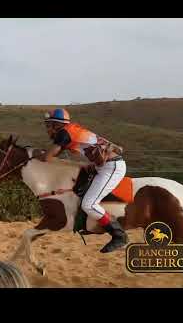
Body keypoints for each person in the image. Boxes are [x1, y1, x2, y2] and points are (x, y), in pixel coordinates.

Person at [40, 108, 128, 253]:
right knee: (78, 190)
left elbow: (47, 158)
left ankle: (119, 235)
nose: (47, 129)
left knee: (89, 204)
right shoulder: (70, 130)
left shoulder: (64, 133)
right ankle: (88, 225)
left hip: (111, 167)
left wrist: (77, 165)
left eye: (49, 125)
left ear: (57, 125)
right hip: (103, 166)